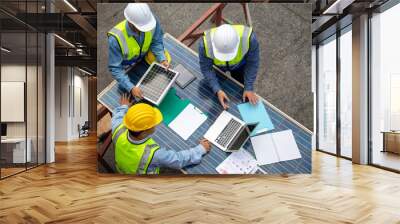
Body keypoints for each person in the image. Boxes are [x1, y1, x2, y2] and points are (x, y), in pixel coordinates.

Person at [111, 94, 211, 174]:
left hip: (122, 170)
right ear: (145, 131)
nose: (156, 125)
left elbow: (118, 116)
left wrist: (124, 107)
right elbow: (178, 160)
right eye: (154, 124)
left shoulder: (118, 127)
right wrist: (200, 149)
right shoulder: (154, 154)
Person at [108, 3, 171, 99]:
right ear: (130, 22)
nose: (145, 30)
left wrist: (162, 59)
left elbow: (156, 41)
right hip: (128, 67)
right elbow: (115, 68)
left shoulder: (150, 21)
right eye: (141, 28)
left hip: (144, 59)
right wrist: (131, 87)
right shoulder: (115, 39)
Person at [198, 24, 260, 109]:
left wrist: (248, 87)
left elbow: (252, 63)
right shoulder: (204, 45)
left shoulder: (249, 39)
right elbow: (206, 68)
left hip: (240, 66)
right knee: (218, 97)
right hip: (218, 68)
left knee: (242, 95)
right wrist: (217, 89)